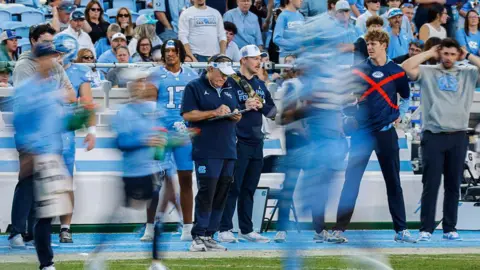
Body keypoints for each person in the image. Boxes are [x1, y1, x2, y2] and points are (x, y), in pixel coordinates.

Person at [331, 29, 416, 244]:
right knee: (351, 182)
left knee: (393, 182)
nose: (370, 46)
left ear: (384, 45)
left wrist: (400, 115)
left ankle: (401, 230)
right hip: (362, 133)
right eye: (368, 43)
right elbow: (345, 97)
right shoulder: (358, 70)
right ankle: (338, 231)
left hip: (386, 132)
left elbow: (406, 97)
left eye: (374, 43)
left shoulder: (397, 72)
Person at [402, 38, 480, 241]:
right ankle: (426, 229)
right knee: (431, 184)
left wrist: (469, 56)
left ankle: (449, 228)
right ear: (440, 53)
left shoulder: (468, 72)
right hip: (433, 135)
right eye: (445, 53)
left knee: (453, 185)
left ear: (459, 55)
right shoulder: (428, 72)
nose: (448, 58)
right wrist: (429, 53)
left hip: (458, 135)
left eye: (453, 54)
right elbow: (406, 67)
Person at [9, 23, 75, 249]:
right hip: (31, 134)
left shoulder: (55, 66)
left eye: (51, 43)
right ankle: (17, 231)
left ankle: (33, 233)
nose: (50, 48)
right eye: (45, 42)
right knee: (27, 182)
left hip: (51, 132)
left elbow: (71, 94)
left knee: (46, 187)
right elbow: (27, 105)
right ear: (33, 41)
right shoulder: (23, 66)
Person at [181, 54, 245, 252]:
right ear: (210, 68)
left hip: (228, 148)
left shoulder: (228, 88)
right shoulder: (194, 87)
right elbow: (188, 114)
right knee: (207, 191)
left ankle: (210, 234)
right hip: (206, 148)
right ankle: (198, 235)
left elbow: (235, 111)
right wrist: (214, 112)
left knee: (221, 193)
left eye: (227, 75)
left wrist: (235, 116)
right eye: (221, 74)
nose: (224, 78)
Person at [107, 79, 170, 270]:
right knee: (120, 217)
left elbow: (162, 136)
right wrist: (145, 140)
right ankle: (98, 255)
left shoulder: (153, 110)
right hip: (132, 171)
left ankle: (156, 261)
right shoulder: (124, 113)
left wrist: (175, 139)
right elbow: (120, 143)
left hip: (151, 169)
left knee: (159, 215)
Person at [218, 45, 276, 243]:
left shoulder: (260, 84)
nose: (258, 62)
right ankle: (224, 228)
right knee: (233, 186)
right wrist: (244, 107)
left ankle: (246, 229)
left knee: (250, 187)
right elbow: (225, 109)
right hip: (237, 140)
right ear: (243, 60)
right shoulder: (231, 82)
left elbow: (273, 113)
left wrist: (260, 106)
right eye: (254, 58)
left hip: (256, 140)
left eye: (259, 58)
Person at [145, 39, 199, 242]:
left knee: (186, 179)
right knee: (154, 181)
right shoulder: (156, 74)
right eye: (166, 51)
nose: (169, 55)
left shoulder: (191, 75)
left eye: (173, 51)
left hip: (183, 134)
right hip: (161, 133)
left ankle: (187, 227)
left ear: (180, 53)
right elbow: (148, 105)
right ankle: (150, 227)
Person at [56, 34, 96, 243]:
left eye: (60, 52)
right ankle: (33, 226)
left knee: (66, 181)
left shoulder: (80, 71)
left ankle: (65, 227)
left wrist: (92, 130)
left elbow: (87, 102)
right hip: (46, 129)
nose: (57, 55)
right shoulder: (46, 69)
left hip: (65, 133)